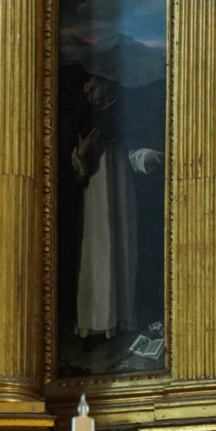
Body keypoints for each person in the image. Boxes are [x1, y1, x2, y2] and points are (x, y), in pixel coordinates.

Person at [71, 71, 164, 345]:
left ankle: (122, 321)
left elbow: (136, 156)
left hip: (123, 194)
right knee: (97, 256)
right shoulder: (85, 120)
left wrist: (154, 156)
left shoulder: (127, 114)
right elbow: (76, 167)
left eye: (93, 89)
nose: (91, 96)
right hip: (95, 199)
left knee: (124, 251)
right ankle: (97, 324)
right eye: (87, 93)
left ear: (106, 84)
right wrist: (81, 153)